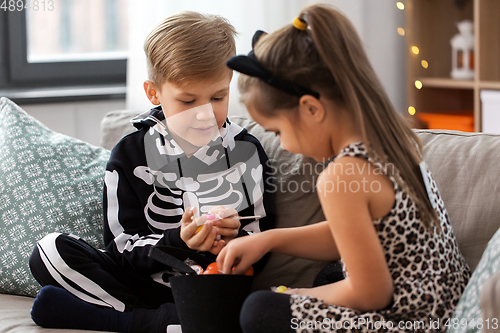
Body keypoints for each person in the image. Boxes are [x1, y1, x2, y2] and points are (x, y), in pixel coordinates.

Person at [218, 4, 470, 333]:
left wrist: (301, 296)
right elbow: (352, 232)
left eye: (278, 132)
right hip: (446, 306)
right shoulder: (393, 139)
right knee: (330, 275)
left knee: (261, 310)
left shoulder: (341, 176)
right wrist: (268, 240)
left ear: (311, 108)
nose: (285, 146)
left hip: (412, 322)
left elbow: (371, 293)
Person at [28, 11, 274, 333]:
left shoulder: (246, 151)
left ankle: (128, 320)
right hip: (137, 283)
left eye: (218, 97)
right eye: (188, 100)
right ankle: (158, 320)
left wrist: (231, 240)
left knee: (253, 306)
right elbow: (121, 248)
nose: (205, 114)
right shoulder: (129, 153)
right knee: (49, 250)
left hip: (212, 285)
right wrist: (179, 240)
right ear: (153, 93)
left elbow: (264, 244)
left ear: (230, 84)